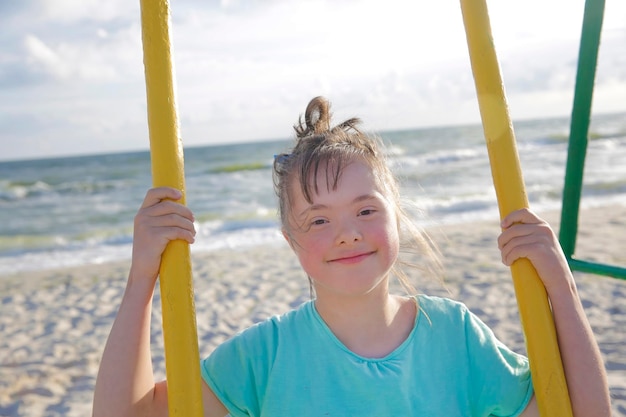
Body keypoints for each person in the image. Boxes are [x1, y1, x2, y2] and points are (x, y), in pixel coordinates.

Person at [93, 96, 610, 417]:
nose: (346, 234)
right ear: (290, 240)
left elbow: (586, 412)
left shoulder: (454, 337)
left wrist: (560, 287)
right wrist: (142, 277)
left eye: (365, 210)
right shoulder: (265, 356)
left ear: (395, 217)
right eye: (318, 220)